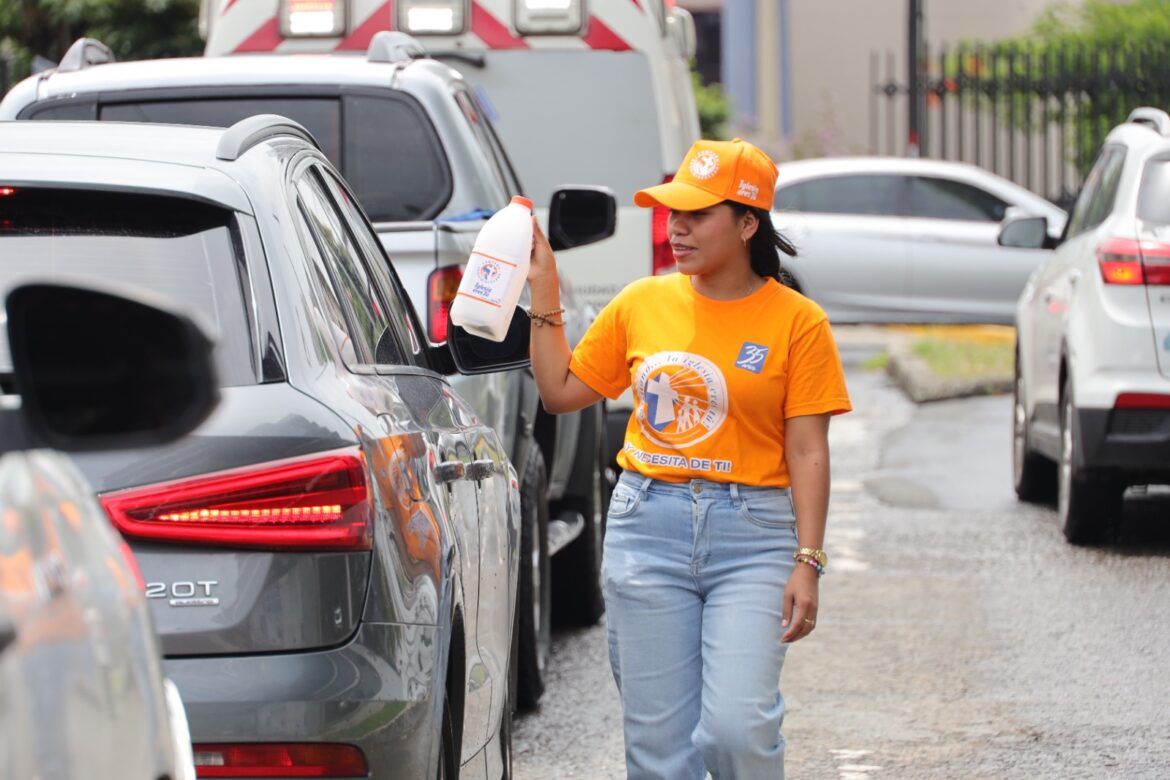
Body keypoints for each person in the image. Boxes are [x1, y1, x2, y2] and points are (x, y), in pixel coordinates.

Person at [525, 137, 852, 779]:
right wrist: (545, 292)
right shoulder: (642, 302)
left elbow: (809, 449)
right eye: (674, 212)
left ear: (748, 222)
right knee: (659, 753)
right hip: (648, 525)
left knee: (737, 730)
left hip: (753, 536)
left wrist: (808, 561)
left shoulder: (798, 322)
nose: (678, 227)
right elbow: (561, 393)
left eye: (699, 214)